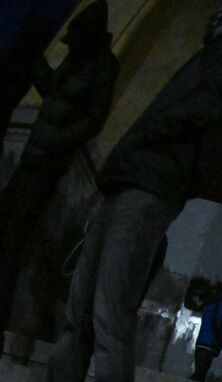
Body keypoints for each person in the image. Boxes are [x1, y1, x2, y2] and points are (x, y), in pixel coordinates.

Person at [5, 0, 222, 382]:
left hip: (149, 186)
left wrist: (151, 136)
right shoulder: (216, 51)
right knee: (77, 313)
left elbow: (210, 110)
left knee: (108, 314)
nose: (219, 8)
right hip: (128, 182)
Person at [0, 0, 118, 350]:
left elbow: (94, 118)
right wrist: (32, 55)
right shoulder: (77, 61)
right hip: (34, 159)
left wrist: (56, 143)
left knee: (13, 242)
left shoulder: (102, 67)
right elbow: (54, 92)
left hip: (47, 163)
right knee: (4, 228)